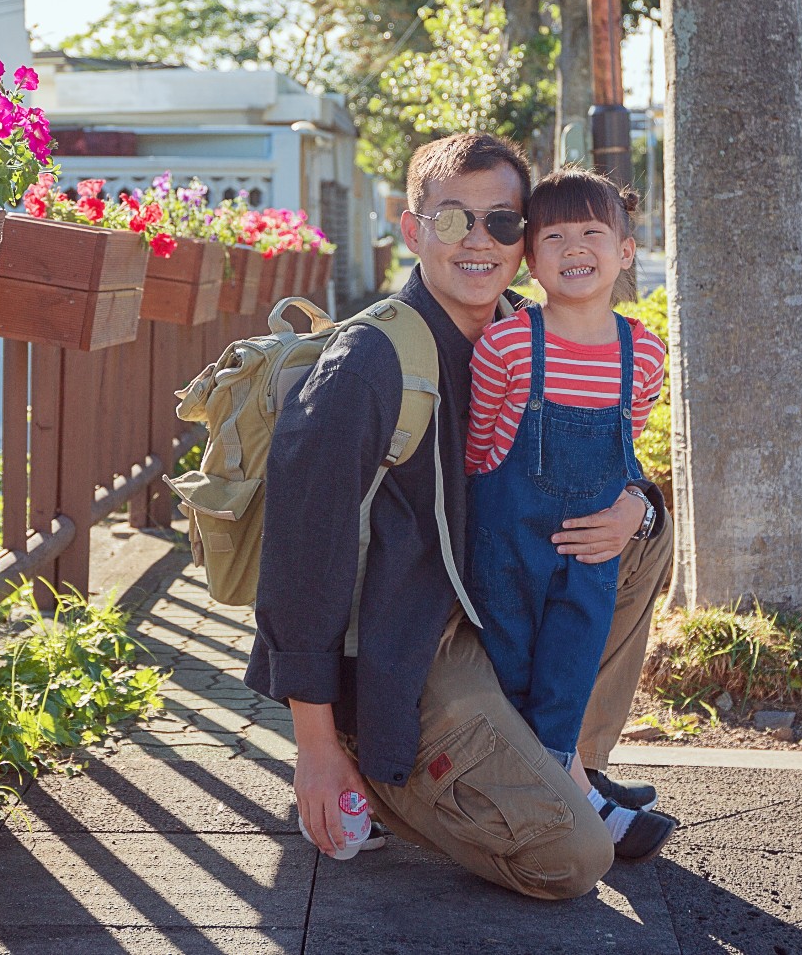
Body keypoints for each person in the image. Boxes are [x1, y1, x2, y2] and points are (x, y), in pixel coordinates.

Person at [244, 133, 675, 900]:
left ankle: (568, 757)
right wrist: (314, 744)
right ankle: (381, 776)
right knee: (572, 860)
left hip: (497, 595)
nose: (478, 242)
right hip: (409, 651)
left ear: (526, 243)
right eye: (452, 221)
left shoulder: (533, 332)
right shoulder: (369, 362)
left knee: (646, 535)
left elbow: (610, 460)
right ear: (412, 231)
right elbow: (300, 557)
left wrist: (637, 508)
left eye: (503, 223)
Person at [462, 168, 673, 856]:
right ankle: (572, 803)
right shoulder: (508, 344)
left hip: (589, 559)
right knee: (514, 677)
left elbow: (628, 442)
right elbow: (477, 452)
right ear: (530, 257)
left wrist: (631, 507)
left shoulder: (643, 353)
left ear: (626, 250)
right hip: (508, 553)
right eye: (554, 234)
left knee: (569, 673)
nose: (574, 246)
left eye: (592, 231)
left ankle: (570, 791)